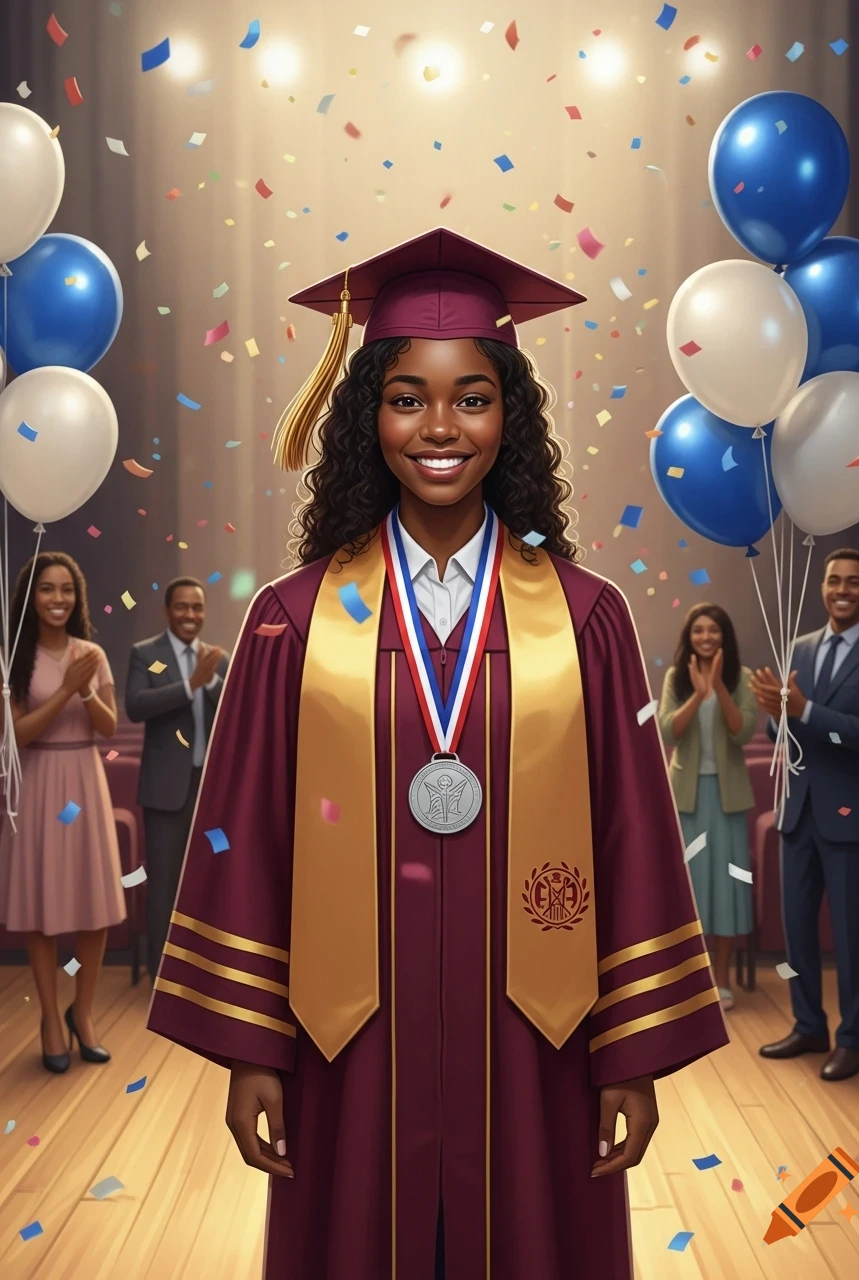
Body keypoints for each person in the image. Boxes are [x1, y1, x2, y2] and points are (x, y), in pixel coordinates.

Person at [147, 227, 728, 1280]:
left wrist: (628, 1057)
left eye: (472, 395)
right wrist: (251, 1047)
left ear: (512, 415)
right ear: (366, 415)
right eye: (406, 395)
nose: (440, 425)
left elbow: (631, 839)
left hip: (537, 1047)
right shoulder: (293, 623)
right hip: (348, 1045)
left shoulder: (585, 621)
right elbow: (250, 837)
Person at [751, 549, 859, 1081]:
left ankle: (851, 1039)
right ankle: (808, 1024)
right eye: (834, 580)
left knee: (852, 937)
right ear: (823, 587)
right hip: (798, 812)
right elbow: (782, 730)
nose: (842, 588)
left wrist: (804, 710)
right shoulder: (800, 647)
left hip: (854, 818)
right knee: (797, 934)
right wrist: (775, 714)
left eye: (853, 581)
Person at [0, 551, 124, 1072]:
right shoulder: (13, 660)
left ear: (78, 597)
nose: (57, 599)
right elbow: (16, 736)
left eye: (66, 590)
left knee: (94, 906)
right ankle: (51, 1017)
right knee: (42, 907)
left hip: (84, 782)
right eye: (47, 590)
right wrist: (68, 690)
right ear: (31, 599)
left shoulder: (92, 652)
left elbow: (110, 728)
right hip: (41, 782)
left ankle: (84, 1012)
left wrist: (88, 690)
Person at [124, 577, 228, 982]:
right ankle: (162, 975)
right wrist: (190, 685)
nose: (190, 615)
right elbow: (136, 706)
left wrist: (211, 680)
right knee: (164, 883)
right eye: (182, 607)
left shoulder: (217, 658)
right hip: (165, 792)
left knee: (211, 880)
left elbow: (238, 706)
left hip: (212, 790)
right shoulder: (145, 653)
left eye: (197, 608)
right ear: (168, 611)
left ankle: (206, 969)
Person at [658, 604, 757, 1011]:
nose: (705, 637)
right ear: (689, 637)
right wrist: (698, 696)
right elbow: (667, 730)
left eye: (713, 630)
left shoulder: (742, 677)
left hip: (729, 799)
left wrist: (717, 688)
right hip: (686, 798)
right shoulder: (675, 677)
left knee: (728, 890)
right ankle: (687, 981)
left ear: (724, 635)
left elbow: (743, 733)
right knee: (690, 891)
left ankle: (722, 980)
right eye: (698, 630)